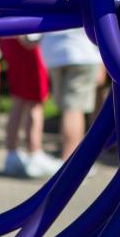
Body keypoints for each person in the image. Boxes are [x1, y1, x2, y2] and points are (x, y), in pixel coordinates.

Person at [0, 35, 62, 177]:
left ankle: (12, 153)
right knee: (35, 102)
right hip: (26, 40)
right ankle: (35, 153)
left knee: (19, 100)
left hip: (10, 39)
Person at [40, 28, 104, 161]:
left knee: (67, 109)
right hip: (82, 50)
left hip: (53, 50)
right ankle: (70, 160)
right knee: (74, 110)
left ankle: (67, 158)